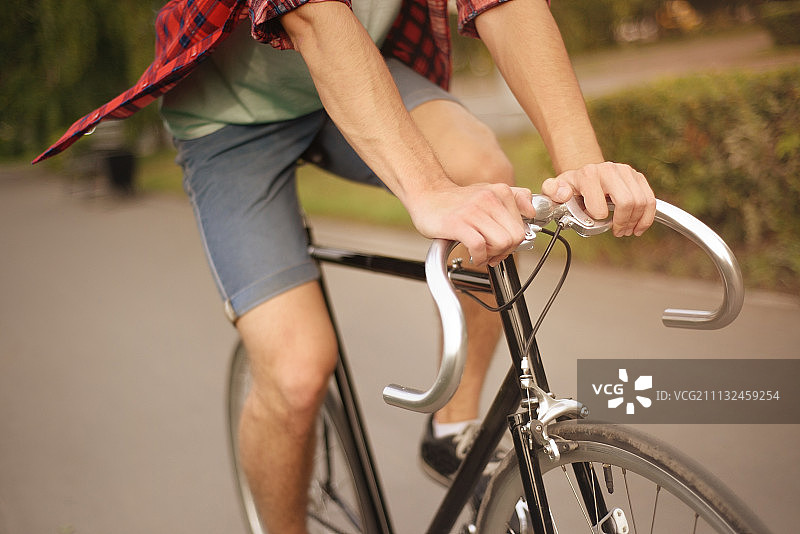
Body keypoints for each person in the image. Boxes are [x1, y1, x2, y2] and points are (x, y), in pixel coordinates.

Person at [35, 0, 656, 531]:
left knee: (483, 170)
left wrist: (583, 163)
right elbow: (310, 13)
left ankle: (454, 428)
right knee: (296, 373)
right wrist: (428, 190)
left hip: (364, 70)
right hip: (229, 120)